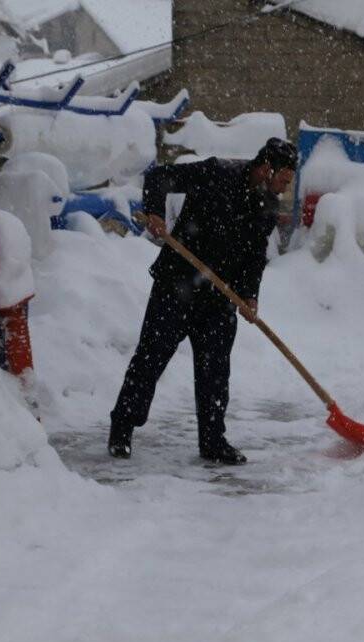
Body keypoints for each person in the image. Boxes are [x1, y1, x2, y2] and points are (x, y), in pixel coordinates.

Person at [108, 138, 298, 464]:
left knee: (215, 371)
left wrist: (250, 294)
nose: (284, 188)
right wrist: (155, 211)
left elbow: (254, 256)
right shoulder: (217, 173)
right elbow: (159, 177)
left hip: (220, 296)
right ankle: (122, 428)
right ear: (267, 169)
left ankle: (212, 441)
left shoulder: (266, 205)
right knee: (151, 358)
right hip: (177, 285)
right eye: (283, 179)